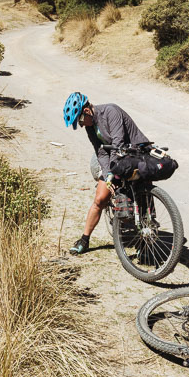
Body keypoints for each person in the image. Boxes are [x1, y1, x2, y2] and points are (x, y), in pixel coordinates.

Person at [62, 91, 152, 255]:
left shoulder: (111, 111)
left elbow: (118, 143)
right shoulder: (90, 127)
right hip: (114, 160)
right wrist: (108, 174)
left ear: (87, 110)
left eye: (80, 120)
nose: (81, 125)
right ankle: (84, 239)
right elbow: (101, 152)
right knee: (100, 198)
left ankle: (147, 240)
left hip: (135, 153)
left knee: (142, 196)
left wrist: (112, 173)